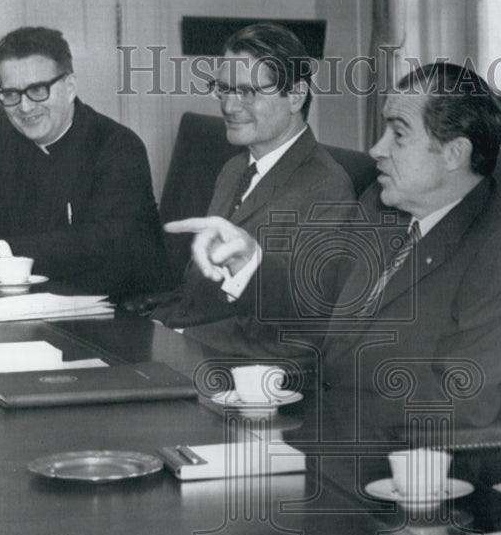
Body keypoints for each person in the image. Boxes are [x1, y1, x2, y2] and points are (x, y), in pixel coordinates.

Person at [170, 63, 501, 436]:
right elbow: (316, 300)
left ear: (454, 153)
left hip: (397, 459)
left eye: (398, 135)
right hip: (312, 425)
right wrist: (249, 260)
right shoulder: (380, 207)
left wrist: (313, 416)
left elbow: (462, 400)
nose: (376, 149)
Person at [143, 22, 356, 329]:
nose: (228, 106)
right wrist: (155, 329)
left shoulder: (328, 189)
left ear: (295, 96)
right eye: (224, 89)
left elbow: (301, 319)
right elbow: (195, 288)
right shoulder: (234, 169)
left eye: (246, 92)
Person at [0, 26, 168, 298]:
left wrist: (2, 252)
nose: (25, 107)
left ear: (70, 86)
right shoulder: (0, 144)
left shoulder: (118, 146)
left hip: (121, 311)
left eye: (38, 90)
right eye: (11, 94)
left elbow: (102, 242)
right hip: (30, 304)